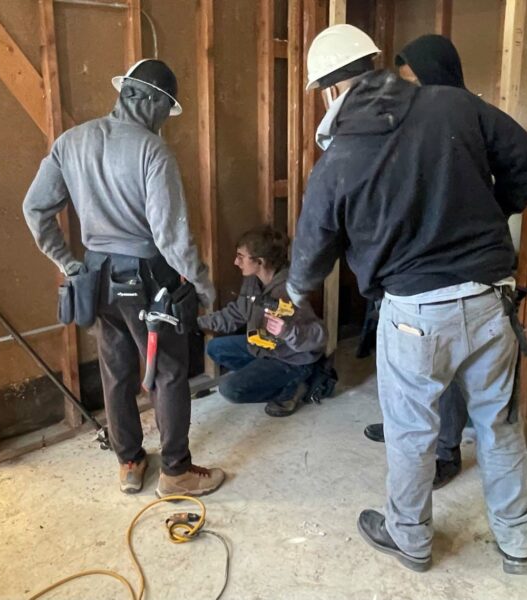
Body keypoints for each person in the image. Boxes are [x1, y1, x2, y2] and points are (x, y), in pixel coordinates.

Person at [288, 24, 527, 574]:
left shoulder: (339, 159)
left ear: (331, 91)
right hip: (491, 300)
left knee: (411, 435)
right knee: (497, 427)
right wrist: (492, 216)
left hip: (415, 316)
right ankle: (518, 542)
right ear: (376, 65)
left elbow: (311, 252)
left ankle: (410, 537)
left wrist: (289, 292)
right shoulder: (453, 105)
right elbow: (526, 158)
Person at [23, 59, 225, 498]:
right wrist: (205, 286)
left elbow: (35, 209)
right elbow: (171, 237)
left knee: (116, 370)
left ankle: (130, 463)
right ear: (150, 101)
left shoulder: (70, 142)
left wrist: (69, 263)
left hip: (95, 276)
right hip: (148, 277)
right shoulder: (152, 151)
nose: (162, 123)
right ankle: (176, 472)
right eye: (164, 111)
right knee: (169, 371)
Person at [363, 34, 487, 491]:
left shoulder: (472, 119)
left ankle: (446, 449)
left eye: (416, 81)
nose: (409, 92)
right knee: (401, 356)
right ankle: (403, 429)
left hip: (452, 270)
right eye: (405, 82)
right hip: (406, 261)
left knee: (444, 366)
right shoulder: (410, 121)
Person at [198, 226, 327, 417]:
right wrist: (197, 322)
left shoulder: (290, 289)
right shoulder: (253, 280)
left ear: (260, 262)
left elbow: (320, 335)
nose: (236, 262)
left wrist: (288, 332)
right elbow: (236, 314)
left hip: (291, 358)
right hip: (264, 347)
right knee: (215, 348)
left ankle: (295, 386)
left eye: (241, 256)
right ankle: (269, 376)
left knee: (230, 389)